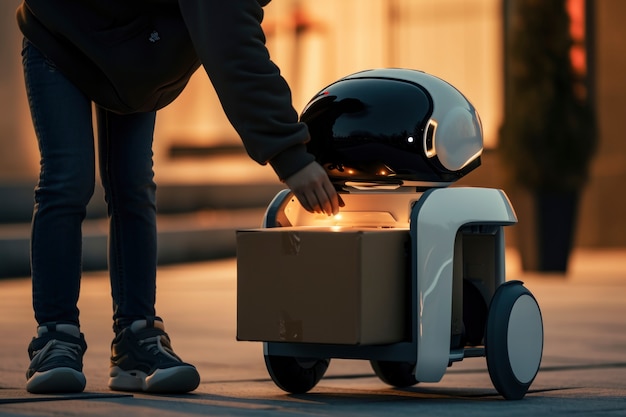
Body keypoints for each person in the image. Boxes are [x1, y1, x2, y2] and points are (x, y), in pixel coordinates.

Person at [16, 0, 342, 394]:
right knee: (67, 179)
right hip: (63, 33)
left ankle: (137, 339)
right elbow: (231, 42)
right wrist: (289, 155)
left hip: (134, 55)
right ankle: (56, 338)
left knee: (134, 188)